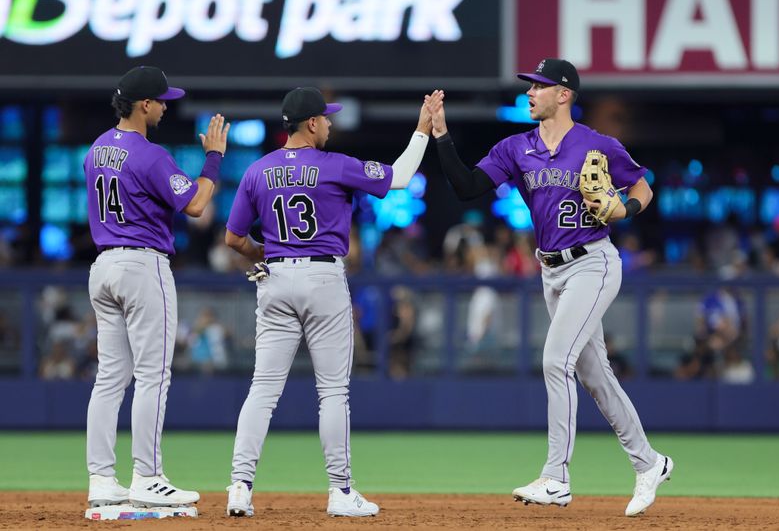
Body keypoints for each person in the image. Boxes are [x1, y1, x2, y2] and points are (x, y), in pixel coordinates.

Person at [425, 58, 672, 517]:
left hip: (592, 264)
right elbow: (466, 186)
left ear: (563, 94)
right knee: (596, 377)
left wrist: (626, 210)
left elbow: (642, 187)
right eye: (530, 85)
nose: (530, 92)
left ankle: (556, 478)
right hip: (551, 271)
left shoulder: (596, 144)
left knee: (555, 360)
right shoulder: (517, 148)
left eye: (538, 85)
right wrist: (441, 135)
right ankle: (650, 462)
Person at [223, 87, 431, 518]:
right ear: (312, 123)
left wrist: (269, 254)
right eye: (327, 118)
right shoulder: (335, 165)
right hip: (322, 276)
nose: (331, 123)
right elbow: (399, 178)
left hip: (276, 276)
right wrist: (422, 130)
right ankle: (340, 490)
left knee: (263, 389)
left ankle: (240, 488)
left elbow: (233, 238)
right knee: (333, 391)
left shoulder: (258, 171)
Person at [84, 66, 229, 509]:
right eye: (162, 100)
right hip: (141, 265)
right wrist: (214, 158)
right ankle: (147, 476)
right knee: (153, 375)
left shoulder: (95, 149)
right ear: (144, 104)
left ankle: (102, 480)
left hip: (103, 266)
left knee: (109, 379)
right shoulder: (148, 154)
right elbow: (198, 205)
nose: (166, 106)